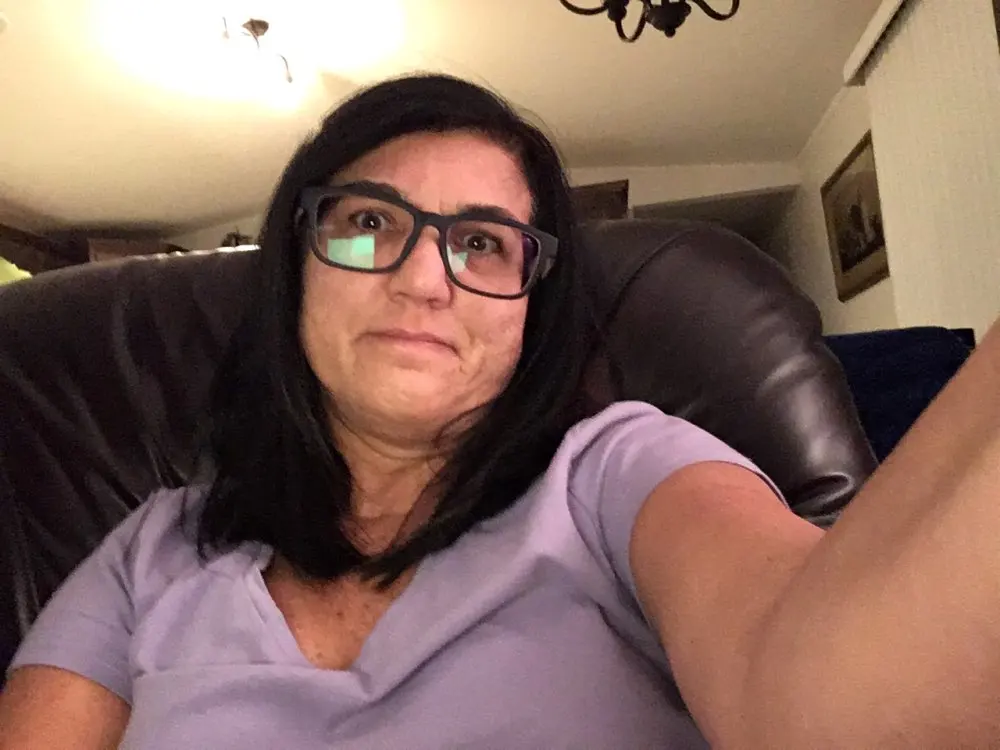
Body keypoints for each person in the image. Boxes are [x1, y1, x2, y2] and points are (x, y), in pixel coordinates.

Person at [1, 74, 999, 749]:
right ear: (294, 271)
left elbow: (825, 699)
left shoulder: (622, 472)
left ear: (532, 307)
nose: (422, 279)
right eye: (368, 222)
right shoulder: (150, 552)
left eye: (481, 243)